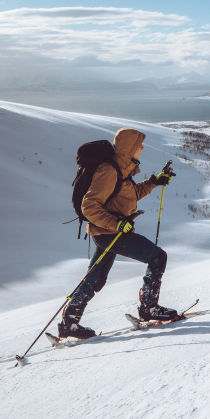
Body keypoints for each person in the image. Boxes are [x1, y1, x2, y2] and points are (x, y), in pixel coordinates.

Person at [60, 127, 176, 339]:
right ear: (129, 147)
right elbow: (89, 206)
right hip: (110, 233)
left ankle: (69, 322)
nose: (142, 147)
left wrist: (153, 182)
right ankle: (149, 308)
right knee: (158, 257)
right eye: (138, 144)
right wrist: (117, 224)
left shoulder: (121, 169)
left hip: (106, 233)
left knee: (95, 279)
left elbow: (127, 196)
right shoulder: (109, 170)